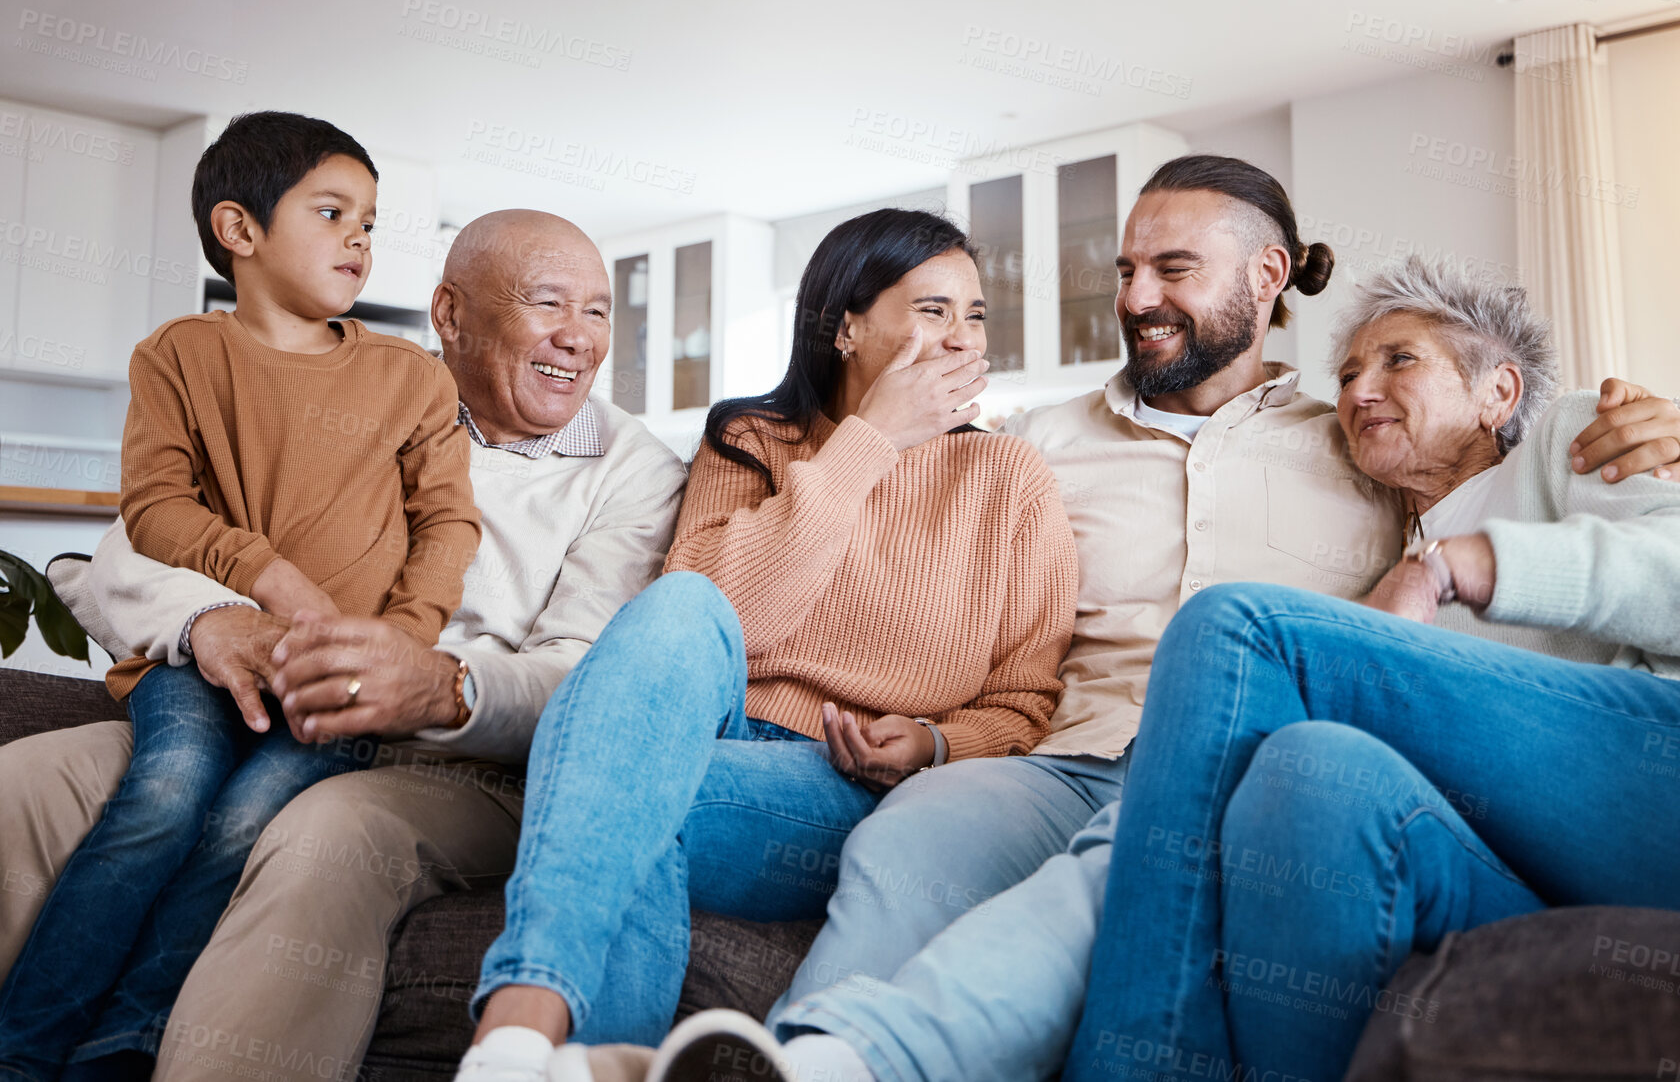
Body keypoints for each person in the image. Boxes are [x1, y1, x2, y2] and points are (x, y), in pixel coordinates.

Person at [637, 159, 1680, 1082]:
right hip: (1056, 761)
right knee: (911, 838)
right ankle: (798, 1056)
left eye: (1173, 268)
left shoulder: (1357, 441)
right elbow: (882, 538)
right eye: (1125, 270)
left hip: (1239, 768)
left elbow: (1514, 481)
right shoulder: (1031, 442)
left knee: (1160, 811)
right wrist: (918, 729)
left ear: (1265, 279)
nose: (1135, 297)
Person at [0, 207, 687, 1082]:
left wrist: (437, 687)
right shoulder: (344, 389)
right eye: (547, 303)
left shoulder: (637, 473)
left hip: (460, 765)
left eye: (597, 311)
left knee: (327, 832)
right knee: (28, 785)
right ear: (450, 315)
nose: (578, 338)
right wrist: (213, 622)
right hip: (264, 709)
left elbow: (585, 680)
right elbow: (135, 543)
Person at [455, 207, 1080, 1080]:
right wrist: (870, 443)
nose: (960, 337)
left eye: (973, 315)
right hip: (703, 724)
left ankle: (528, 1037)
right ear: (849, 326)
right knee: (676, 608)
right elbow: (725, 616)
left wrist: (937, 743)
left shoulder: (1008, 478)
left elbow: (1024, 699)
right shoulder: (749, 440)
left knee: (636, 787)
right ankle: (541, 1045)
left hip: (836, 780)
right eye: (932, 309)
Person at [0, 111, 482, 1081]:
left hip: (339, 682)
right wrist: (268, 578)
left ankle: (123, 1045)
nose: (361, 237)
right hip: (201, 656)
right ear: (240, 229)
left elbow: (448, 525)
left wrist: (391, 647)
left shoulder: (411, 379)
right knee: (165, 797)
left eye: (372, 220)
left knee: (245, 820)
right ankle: (22, 1050)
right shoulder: (178, 355)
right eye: (335, 211)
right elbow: (155, 507)